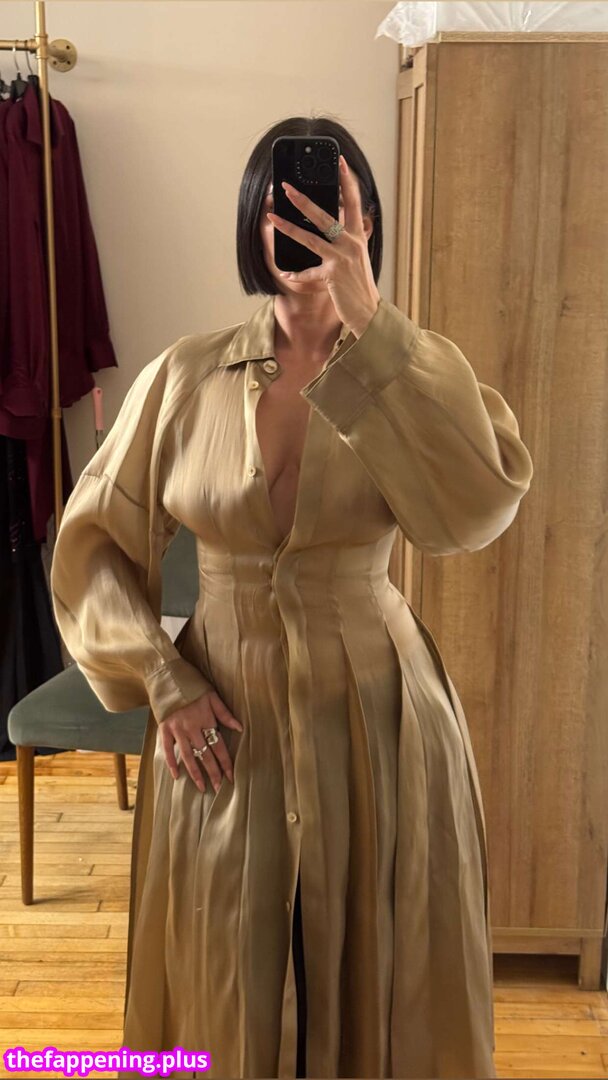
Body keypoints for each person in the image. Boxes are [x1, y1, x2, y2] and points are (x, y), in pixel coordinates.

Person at [50, 116, 534, 1080]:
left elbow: (475, 512)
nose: (304, 222)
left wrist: (377, 329)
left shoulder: (417, 371)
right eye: (283, 203)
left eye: (332, 205)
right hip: (221, 721)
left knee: (384, 968)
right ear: (252, 220)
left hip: (382, 713)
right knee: (224, 964)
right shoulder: (185, 377)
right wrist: (163, 680)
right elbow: (91, 543)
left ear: (366, 224)